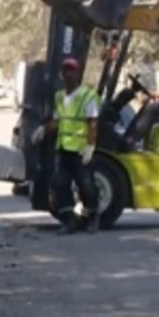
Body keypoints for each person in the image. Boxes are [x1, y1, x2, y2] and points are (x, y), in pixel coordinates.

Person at [43, 57, 99, 235]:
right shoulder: (59, 96)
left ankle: (92, 217)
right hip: (63, 148)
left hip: (81, 149)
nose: (68, 74)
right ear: (61, 74)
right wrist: (43, 130)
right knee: (61, 184)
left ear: (78, 73)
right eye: (65, 70)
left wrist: (90, 146)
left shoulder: (87, 95)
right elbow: (58, 120)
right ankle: (69, 220)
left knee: (86, 185)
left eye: (72, 71)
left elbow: (93, 123)